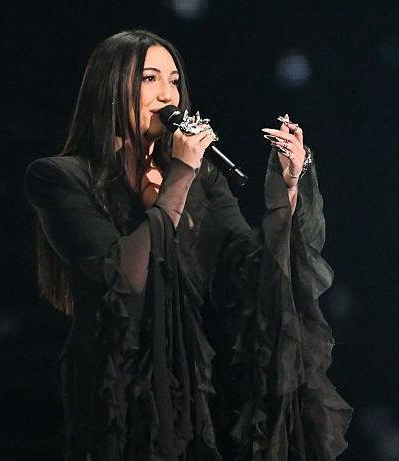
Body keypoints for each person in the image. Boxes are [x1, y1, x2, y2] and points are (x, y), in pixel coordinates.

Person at [24, 30, 351, 461]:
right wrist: (179, 174)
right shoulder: (60, 177)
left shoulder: (203, 178)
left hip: (202, 382)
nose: (167, 95)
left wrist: (287, 191)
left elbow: (246, 267)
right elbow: (124, 280)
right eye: (150, 79)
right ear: (110, 87)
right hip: (116, 383)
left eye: (174, 81)